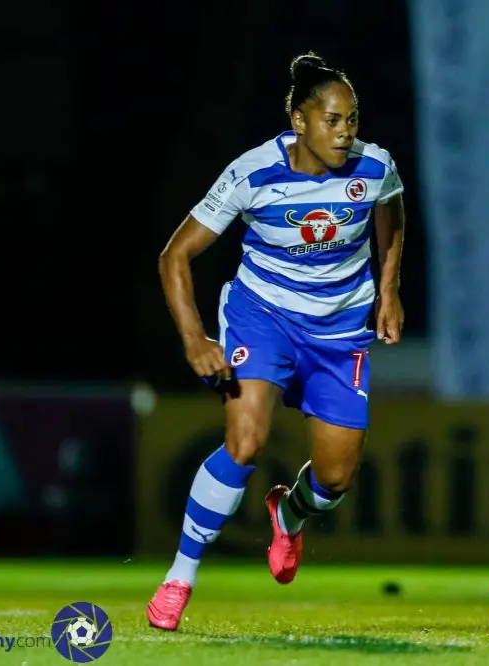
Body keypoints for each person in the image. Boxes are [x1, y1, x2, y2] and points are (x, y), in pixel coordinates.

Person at [147, 51, 406, 631]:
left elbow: (390, 207)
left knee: (336, 479)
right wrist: (195, 340)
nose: (346, 134)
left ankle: (289, 515)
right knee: (245, 440)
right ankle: (180, 576)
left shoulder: (375, 167)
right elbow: (175, 256)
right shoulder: (251, 175)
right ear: (299, 121)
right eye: (333, 121)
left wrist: (388, 291)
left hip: (340, 331)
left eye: (353, 120)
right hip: (263, 317)